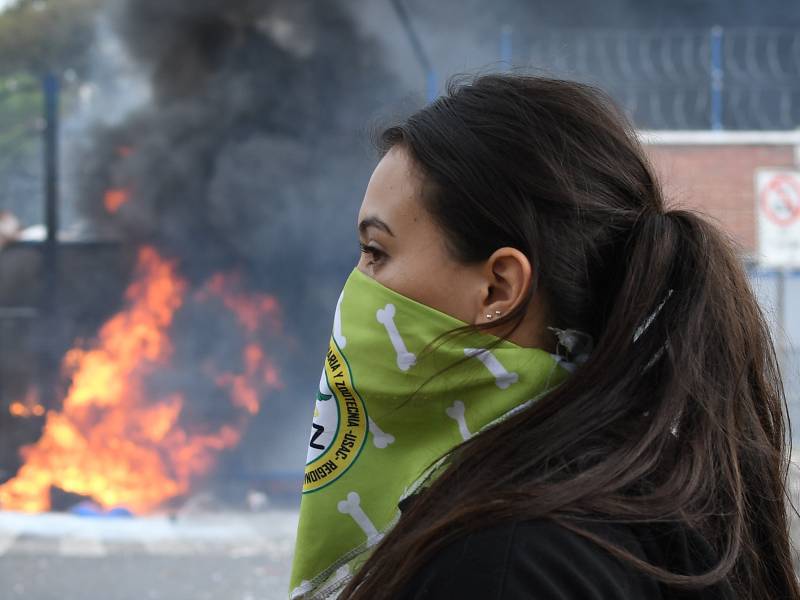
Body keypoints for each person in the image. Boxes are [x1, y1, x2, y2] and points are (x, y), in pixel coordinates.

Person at [289, 74, 800, 599]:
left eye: (376, 252)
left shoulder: (496, 561)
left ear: (498, 288)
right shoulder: (644, 497)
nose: (357, 282)